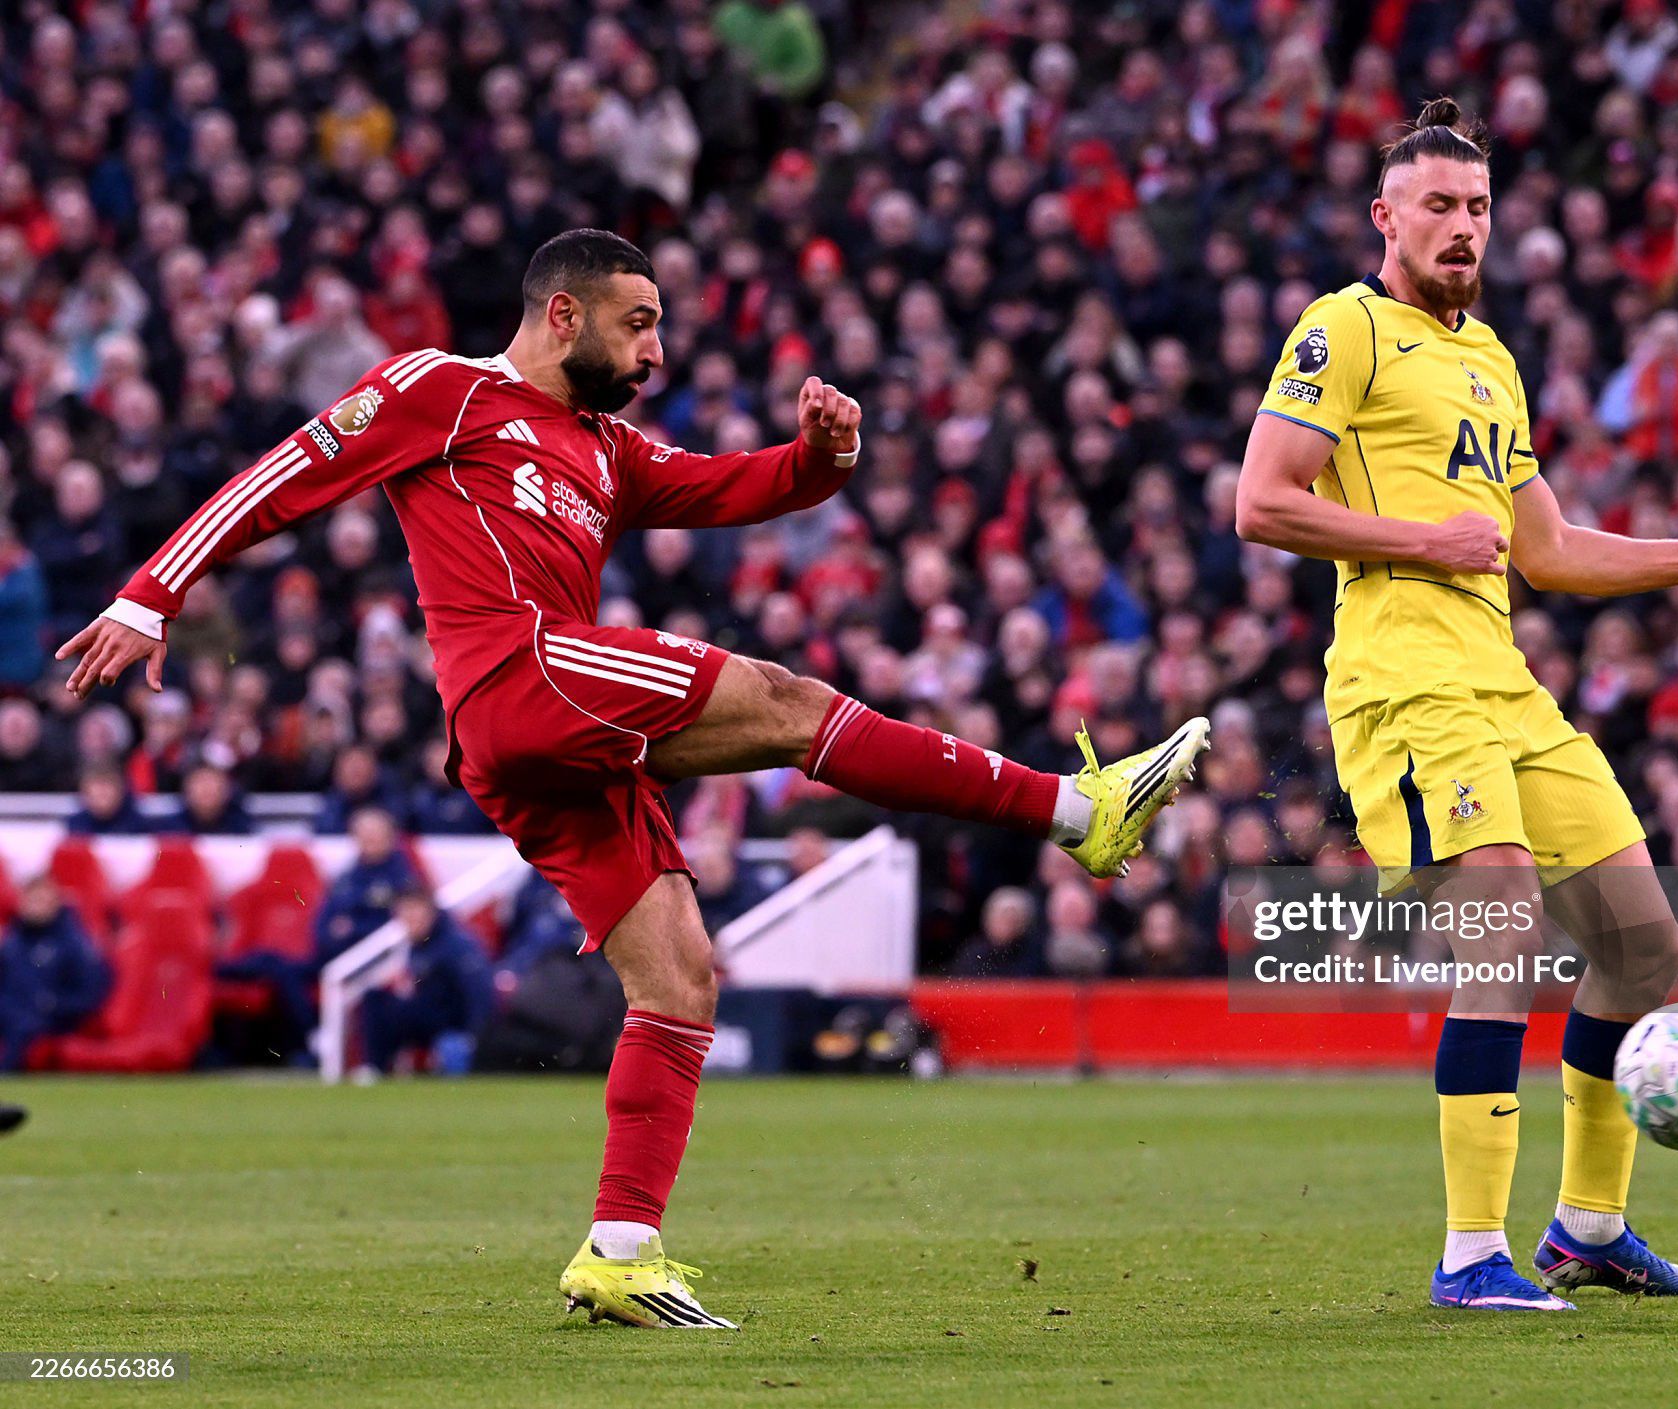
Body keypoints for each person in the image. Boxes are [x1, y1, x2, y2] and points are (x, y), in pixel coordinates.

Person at [57, 228, 1208, 1330]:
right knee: (782, 697)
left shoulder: (606, 448)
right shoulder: (440, 388)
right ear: (563, 314)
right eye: (639, 323)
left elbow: (732, 489)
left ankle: (618, 1251)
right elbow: (289, 472)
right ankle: (1075, 809)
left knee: (679, 976)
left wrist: (821, 456)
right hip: (520, 671)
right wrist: (148, 592)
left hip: (549, 741)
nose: (658, 351)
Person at [1235, 100, 1678, 1313]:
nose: (1460, 227)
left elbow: (1544, 550)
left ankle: (1586, 1227)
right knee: (1495, 916)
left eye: (1477, 208)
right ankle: (1467, 1251)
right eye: (1436, 205)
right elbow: (1262, 502)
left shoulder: (1489, 358)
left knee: (1642, 944)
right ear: (1384, 217)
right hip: (1401, 675)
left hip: (1505, 681)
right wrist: (1420, 537)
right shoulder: (1343, 329)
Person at [355, 888, 495, 1077]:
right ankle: (374, 1067)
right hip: (428, 1016)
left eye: (415, 912)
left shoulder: (456, 944)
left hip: (451, 1022)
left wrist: (474, 1037)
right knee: (375, 997)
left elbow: (478, 992)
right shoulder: (416, 945)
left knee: (391, 1008)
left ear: (430, 912)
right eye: (405, 914)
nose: (410, 920)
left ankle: (378, 1067)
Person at [0, 876, 113, 1071]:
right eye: (31, 901)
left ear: (55, 904)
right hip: (11, 1013)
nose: (35, 908)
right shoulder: (11, 943)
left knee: (22, 1027)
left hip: (51, 1019)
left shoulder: (75, 946)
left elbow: (90, 993)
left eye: (41, 901)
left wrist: (53, 1004)